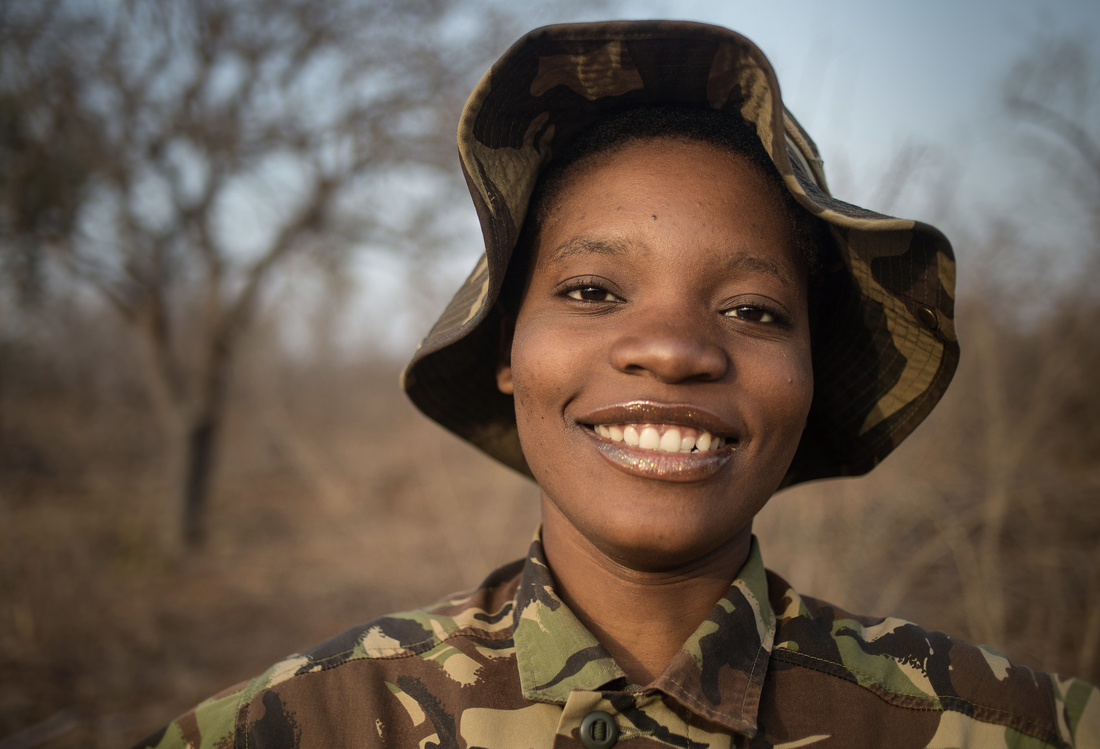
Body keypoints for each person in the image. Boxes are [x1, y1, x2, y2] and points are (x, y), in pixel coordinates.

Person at [136, 20, 1099, 749]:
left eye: (755, 310)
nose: (675, 349)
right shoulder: (308, 721)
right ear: (508, 349)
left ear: (808, 379)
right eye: (594, 290)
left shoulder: (999, 722)